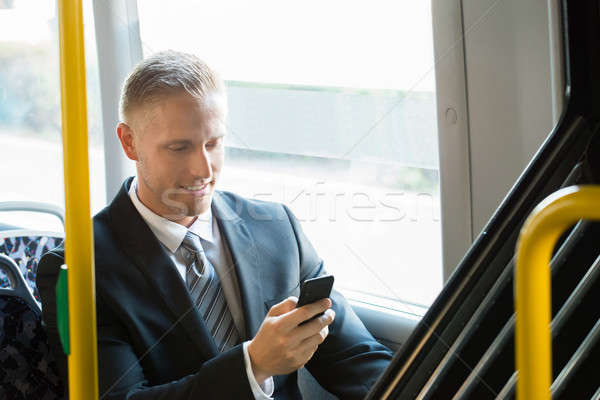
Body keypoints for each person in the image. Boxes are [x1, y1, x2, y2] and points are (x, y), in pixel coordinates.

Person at [37, 50, 392, 399]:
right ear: (129, 142)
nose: (203, 170)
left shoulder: (277, 229)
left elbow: (355, 359)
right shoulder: (78, 269)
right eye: (179, 148)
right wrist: (252, 366)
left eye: (213, 143)